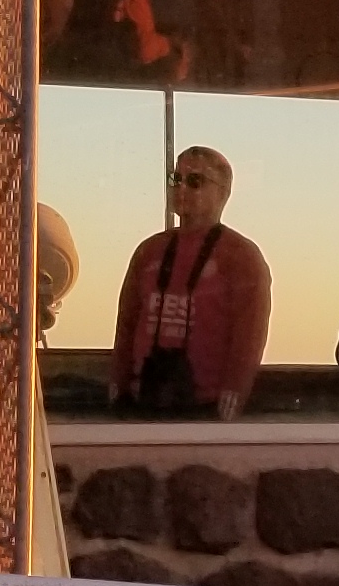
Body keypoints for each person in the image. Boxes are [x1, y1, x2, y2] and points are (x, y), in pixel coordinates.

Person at [111, 146, 271, 418]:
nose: (181, 188)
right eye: (176, 179)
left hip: (205, 406)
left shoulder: (240, 256)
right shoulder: (149, 251)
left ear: (222, 192)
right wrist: (118, 383)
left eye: (195, 181)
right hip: (142, 400)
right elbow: (126, 325)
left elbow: (249, 335)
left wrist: (234, 391)